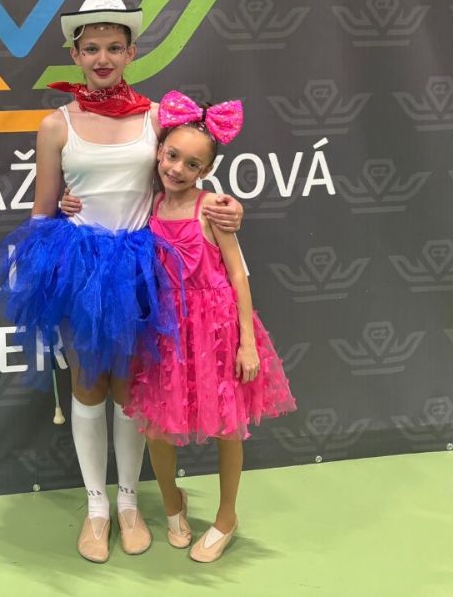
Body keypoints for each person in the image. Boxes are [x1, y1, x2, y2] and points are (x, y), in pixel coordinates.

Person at [0, 0, 243, 564]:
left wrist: (229, 207)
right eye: (91, 49)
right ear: (75, 55)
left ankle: (129, 503)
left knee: (133, 389)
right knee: (88, 384)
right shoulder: (55, 125)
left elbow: (185, 179)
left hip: (143, 267)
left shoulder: (158, 118)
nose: (102, 58)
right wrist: (49, 239)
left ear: (132, 52)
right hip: (81, 268)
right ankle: (97, 508)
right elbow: (42, 209)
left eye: (113, 47)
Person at [124, 91, 296, 563]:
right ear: (159, 152)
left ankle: (225, 517)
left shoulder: (212, 208)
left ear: (206, 170)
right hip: (165, 331)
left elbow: (238, 274)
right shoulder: (149, 206)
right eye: (172, 156)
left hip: (215, 330)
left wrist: (247, 343)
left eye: (192, 164)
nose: (177, 168)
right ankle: (172, 503)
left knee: (227, 426)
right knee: (158, 426)